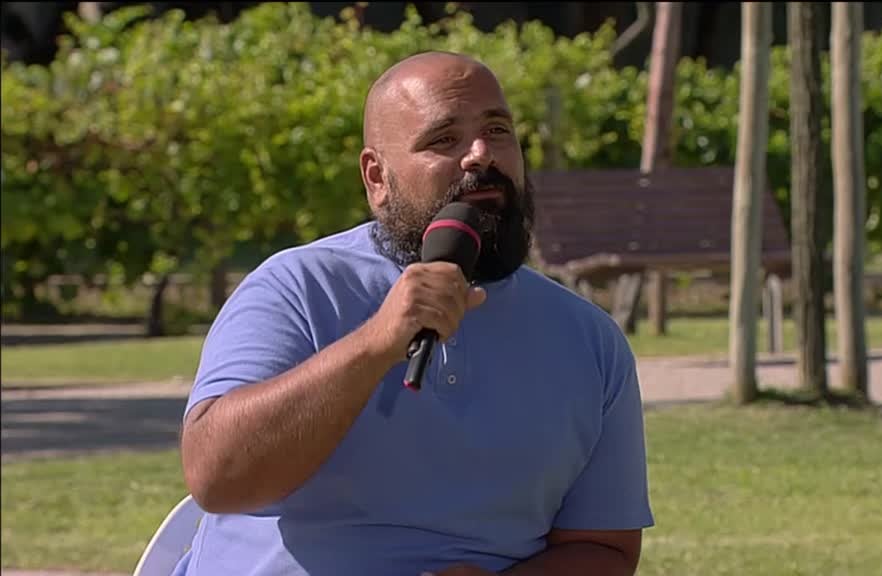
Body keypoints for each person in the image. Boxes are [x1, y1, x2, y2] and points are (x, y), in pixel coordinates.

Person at [175, 50, 654, 576]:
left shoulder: (587, 338)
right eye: (444, 139)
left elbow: (606, 548)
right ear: (377, 178)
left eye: (497, 130)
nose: (479, 154)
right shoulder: (298, 288)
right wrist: (378, 340)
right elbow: (215, 478)